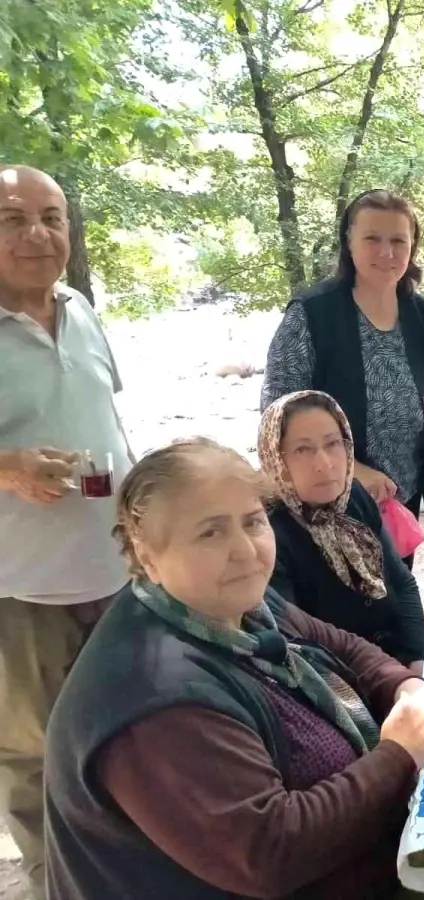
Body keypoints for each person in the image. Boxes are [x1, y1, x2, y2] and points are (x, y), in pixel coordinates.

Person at [44, 438, 424, 899]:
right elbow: (271, 853)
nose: (246, 551)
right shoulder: (155, 700)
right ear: (147, 554)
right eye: (210, 532)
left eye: (252, 522)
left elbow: (345, 647)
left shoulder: (230, 603)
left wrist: (410, 688)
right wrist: (398, 754)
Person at [0, 165, 134, 900]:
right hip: (20, 593)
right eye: (11, 219)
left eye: (51, 217)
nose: (36, 234)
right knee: (31, 758)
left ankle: (123, 870)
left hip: (112, 578)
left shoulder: (80, 309)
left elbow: (107, 424)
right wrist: (6, 466)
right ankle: (59, 886)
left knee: (120, 736)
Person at [262, 190, 424, 550]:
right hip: (327, 504)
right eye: (372, 239)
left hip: (401, 503)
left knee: (395, 598)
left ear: (412, 248)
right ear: (348, 243)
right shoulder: (311, 316)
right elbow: (277, 417)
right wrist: (353, 470)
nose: (386, 252)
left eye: (398, 241)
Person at [259, 390, 424, 672]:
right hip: (344, 683)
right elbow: (296, 645)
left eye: (333, 443)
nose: (325, 464)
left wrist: (417, 658)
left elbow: (401, 582)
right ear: (276, 459)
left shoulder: (354, 498)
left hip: (398, 663)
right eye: (303, 449)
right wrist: (392, 683)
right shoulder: (269, 534)